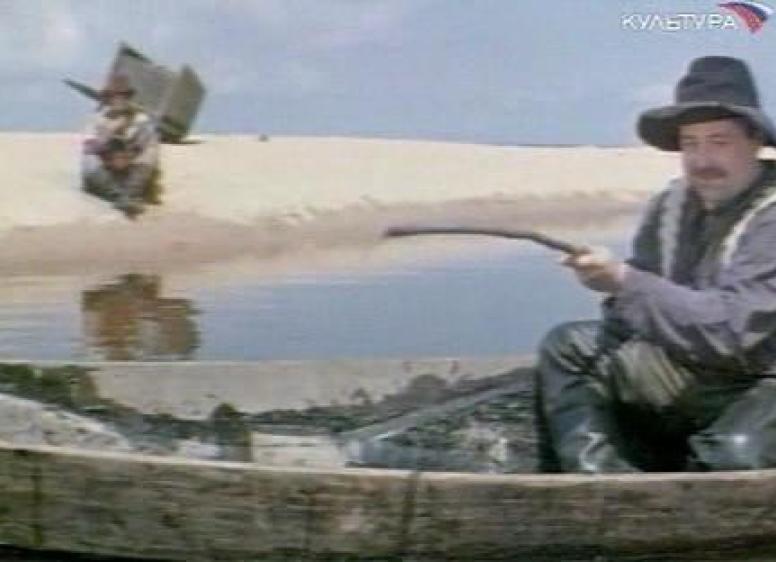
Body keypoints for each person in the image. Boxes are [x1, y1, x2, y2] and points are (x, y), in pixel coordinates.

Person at [535, 56, 776, 473]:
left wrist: (624, 282)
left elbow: (730, 331)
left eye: (719, 142)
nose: (702, 160)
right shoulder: (671, 206)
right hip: (691, 371)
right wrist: (613, 291)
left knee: (733, 458)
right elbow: (634, 313)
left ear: (754, 141)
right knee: (568, 347)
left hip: (762, 380)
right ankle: (599, 489)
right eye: (690, 144)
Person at [81, 73, 162, 212]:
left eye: (123, 96)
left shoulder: (140, 119)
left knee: (152, 148)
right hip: (106, 170)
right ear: (108, 98)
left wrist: (131, 153)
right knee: (88, 159)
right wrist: (107, 137)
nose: (119, 100)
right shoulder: (97, 119)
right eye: (114, 96)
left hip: (131, 169)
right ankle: (119, 196)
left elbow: (146, 143)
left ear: (128, 98)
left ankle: (130, 194)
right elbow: (89, 146)